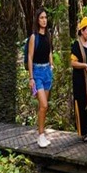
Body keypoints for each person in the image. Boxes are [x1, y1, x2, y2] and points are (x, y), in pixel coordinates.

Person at [28, 8, 54, 148]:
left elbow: (49, 50)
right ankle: (40, 135)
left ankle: (42, 133)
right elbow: (30, 57)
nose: (44, 20)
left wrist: (51, 65)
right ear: (37, 20)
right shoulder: (34, 37)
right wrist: (31, 78)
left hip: (47, 72)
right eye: (41, 17)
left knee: (43, 107)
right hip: (37, 72)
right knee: (44, 104)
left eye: (45, 17)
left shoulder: (48, 35)